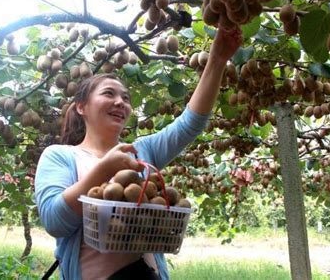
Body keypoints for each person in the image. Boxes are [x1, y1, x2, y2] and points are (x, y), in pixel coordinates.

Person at [34, 26, 242, 280]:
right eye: (109, 94)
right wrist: (104, 169)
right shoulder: (60, 155)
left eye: (126, 98)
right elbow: (55, 221)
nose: (121, 102)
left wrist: (218, 59)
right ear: (81, 107)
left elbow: (190, 123)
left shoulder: (141, 151)